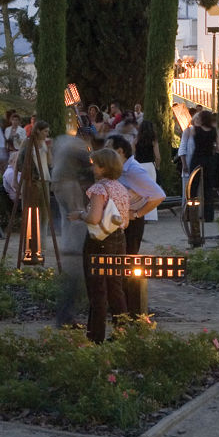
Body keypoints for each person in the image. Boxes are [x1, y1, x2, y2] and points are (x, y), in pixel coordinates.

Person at [67, 148, 131, 343]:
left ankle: (96, 336)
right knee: (116, 288)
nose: (92, 167)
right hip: (119, 239)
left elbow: (94, 218)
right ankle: (122, 334)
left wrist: (79, 215)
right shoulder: (120, 187)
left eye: (95, 164)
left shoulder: (99, 189)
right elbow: (125, 221)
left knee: (97, 290)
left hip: (99, 242)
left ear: (103, 167)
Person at [104, 134, 165, 315]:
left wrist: (137, 213)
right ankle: (122, 307)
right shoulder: (121, 169)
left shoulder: (134, 171)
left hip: (132, 223)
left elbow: (158, 195)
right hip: (120, 222)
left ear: (120, 151)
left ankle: (131, 310)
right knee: (119, 265)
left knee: (127, 264)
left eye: (109, 149)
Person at [191, 110, 219, 224]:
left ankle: (192, 214)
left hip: (197, 159)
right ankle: (209, 216)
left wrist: (196, 117)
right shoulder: (214, 131)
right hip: (209, 160)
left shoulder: (195, 130)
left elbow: (192, 122)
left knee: (193, 187)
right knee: (208, 188)